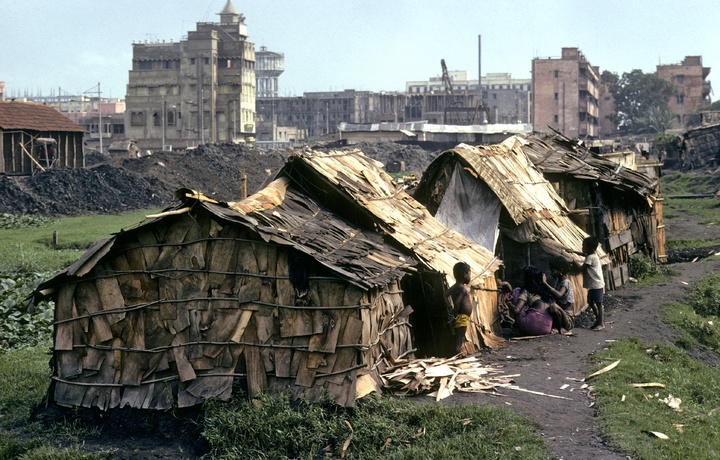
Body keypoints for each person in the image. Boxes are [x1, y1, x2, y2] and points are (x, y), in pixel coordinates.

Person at [510, 266, 571, 336]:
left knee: (516, 292)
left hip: (531, 325)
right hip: (546, 328)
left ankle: (518, 328)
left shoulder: (526, 292)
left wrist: (507, 303)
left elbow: (516, 310)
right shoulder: (547, 292)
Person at [445, 262, 474, 355]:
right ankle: (457, 356)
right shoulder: (463, 289)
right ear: (465, 274)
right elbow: (457, 302)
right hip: (461, 317)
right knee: (459, 340)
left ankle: (456, 354)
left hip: (458, 317)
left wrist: (449, 306)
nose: (470, 276)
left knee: (457, 338)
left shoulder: (454, 287)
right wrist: (454, 314)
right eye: (469, 274)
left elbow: (445, 295)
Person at [542, 257, 575, 334]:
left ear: (560, 270)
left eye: (553, 270)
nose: (551, 273)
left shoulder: (565, 282)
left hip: (567, 318)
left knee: (553, 306)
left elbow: (559, 295)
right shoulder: (558, 280)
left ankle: (562, 328)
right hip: (559, 315)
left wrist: (545, 284)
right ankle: (558, 326)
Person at [582, 236, 606, 331]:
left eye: (584, 246)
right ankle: (598, 320)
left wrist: (573, 261)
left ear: (590, 249)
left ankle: (601, 323)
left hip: (596, 285)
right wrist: (574, 252)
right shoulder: (592, 255)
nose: (582, 248)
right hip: (595, 284)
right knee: (590, 302)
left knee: (599, 304)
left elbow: (581, 268)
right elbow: (584, 254)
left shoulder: (590, 258)